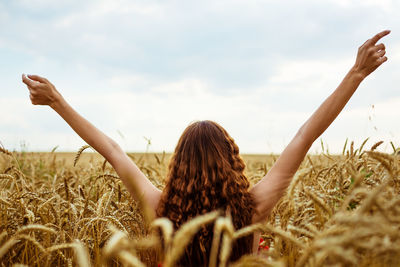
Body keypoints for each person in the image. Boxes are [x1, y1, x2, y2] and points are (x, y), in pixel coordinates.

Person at [22, 30, 390, 266]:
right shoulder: (253, 210)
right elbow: (304, 136)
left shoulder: (160, 210)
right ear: (231, 161)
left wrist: (57, 101)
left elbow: (113, 152)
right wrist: (355, 75)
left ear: (178, 166)